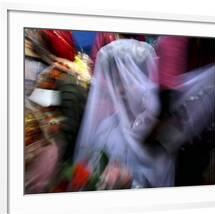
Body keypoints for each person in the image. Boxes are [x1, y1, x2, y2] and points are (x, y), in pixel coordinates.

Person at [74, 39, 176, 189]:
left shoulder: (158, 132)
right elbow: (91, 173)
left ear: (146, 80)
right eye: (116, 82)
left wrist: (128, 185)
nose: (119, 91)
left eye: (127, 81)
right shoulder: (107, 128)